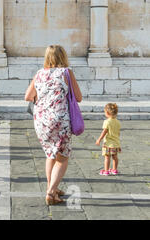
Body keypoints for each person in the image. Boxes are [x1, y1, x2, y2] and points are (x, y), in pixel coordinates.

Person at [25, 45, 82, 206]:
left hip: (41, 120)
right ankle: (51, 192)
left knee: (50, 154)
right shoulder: (66, 72)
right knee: (62, 158)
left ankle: (52, 188)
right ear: (63, 57)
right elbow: (78, 97)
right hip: (60, 120)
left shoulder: (39, 73)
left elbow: (28, 96)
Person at [96, 103, 121, 176]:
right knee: (115, 157)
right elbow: (118, 133)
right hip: (116, 143)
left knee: (107, 157)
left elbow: (104, 131)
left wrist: (99, 139)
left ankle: (106, 170)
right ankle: (114, 169)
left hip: (108, 143)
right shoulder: (118, 122)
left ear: (107, 113)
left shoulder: (107, 122)